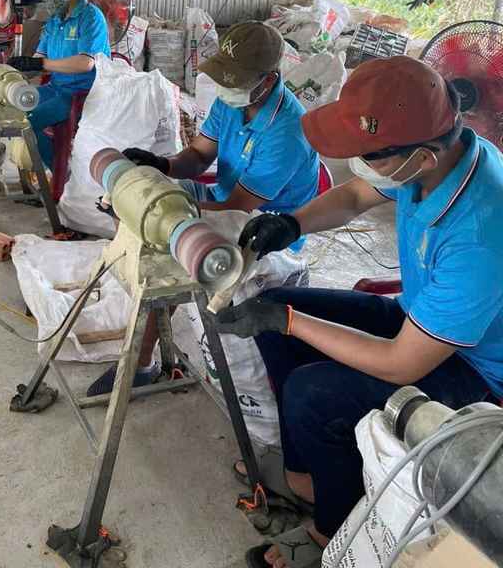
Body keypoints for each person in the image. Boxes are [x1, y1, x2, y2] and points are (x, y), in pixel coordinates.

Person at [216, 56, 503, 568]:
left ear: (423, 157)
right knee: (274, 313)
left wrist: (291, 322)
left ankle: (331, 529)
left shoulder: (480, 234)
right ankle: (309, 481)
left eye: (369, 154)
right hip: (419, 318)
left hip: (472, 370)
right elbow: (352, 195)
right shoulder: (433, 153)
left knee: (310, 389)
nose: (359, 164)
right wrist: (291, 223)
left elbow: (400, 363)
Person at [87, 21, 320, 397]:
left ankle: (141, 361)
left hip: (265, 230)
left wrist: (160, 214)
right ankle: (146, 334)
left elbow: (236, 209)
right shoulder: (232, 102)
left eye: (235, 81)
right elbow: (197, 156)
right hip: (228, 200)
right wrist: (161, 165)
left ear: (268, 80)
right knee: (150, 198)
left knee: (166, 248)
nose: (226, 88)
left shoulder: (288, 132)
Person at [9, 0, 110, 170]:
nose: (45, 3)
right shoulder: (54, 21)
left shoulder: (91, 17)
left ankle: (61, 174)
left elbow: (85, 63)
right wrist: (20, 69)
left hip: (83, 94)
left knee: (29, 122)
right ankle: (46, 165)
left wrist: (40, 63)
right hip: (56, 88)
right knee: (15, 110)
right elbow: (40, 56)